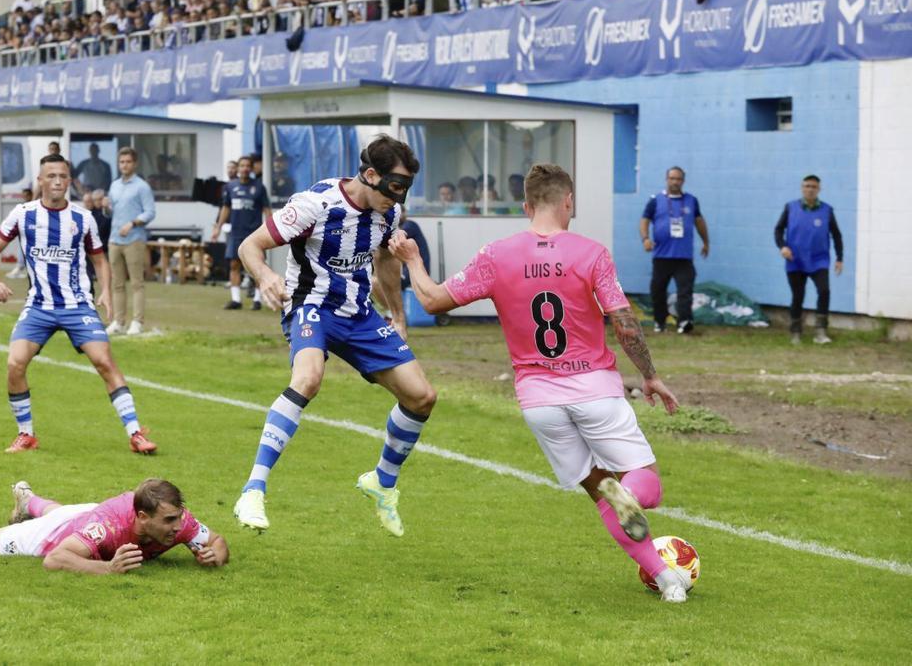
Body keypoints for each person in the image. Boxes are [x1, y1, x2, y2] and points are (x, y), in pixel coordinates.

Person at [391, 163, 692, 603]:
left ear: (527, 205)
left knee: (605, 493)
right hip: (594, 389)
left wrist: (414, 262)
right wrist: (649, 376)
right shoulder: (591, 253)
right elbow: (624, 323)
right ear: (568, 201)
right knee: (645, 487)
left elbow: (434, 299)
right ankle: (644, 526)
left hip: (538, 401)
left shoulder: (497, 254)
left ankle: (667, 580)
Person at [231, 135, 437, 538]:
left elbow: (384, 260)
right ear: (370, 174)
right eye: (393, 188)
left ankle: (382, 482)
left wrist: (396, 313)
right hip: (312, 307)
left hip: (360, 314)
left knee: (422, 396)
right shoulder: (314, 205)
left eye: (404, 190)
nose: (396, 199)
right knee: (308, 379)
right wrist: (267, 276)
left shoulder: (388, 214)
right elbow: (249, 246)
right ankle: (253, 488)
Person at [0, 153, 158, 455]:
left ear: (69, 181)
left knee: (104, 361)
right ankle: (26, 434)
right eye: (51, 176)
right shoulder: (23, 214)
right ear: (40, 180)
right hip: (39, 306)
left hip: (78, 305)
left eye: (63, 176)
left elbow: (99, 260)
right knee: (15, 363)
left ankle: (136, 433)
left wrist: (104, 291)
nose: (58, 181)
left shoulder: (82, 218)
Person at [0, 478, 228, 573]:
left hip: (83, 517)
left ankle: (27, 502)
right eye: (169, 520)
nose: (178, 526)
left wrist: (216, 557)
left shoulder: (177, 521)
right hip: (68, 531)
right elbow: (56, 560)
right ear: (141, 517)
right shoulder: (106, 528)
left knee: (68, 519)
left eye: (179, 517)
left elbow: (218, 540)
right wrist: (109, 569)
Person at [775, 175, 844, 345]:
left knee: (824, 291)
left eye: (813, 186)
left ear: (819, 189)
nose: (810, 189)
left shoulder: (827, 210)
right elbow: (778, 230)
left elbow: (836, 235)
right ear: (802, 188)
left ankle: (821, 332)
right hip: (795, 260)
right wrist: (783, 246)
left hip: (819, 260)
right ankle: (796, 331)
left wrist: (839, 258)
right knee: (798, 295)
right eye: (807, 186)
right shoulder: (790, 208)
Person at [640, 167, 709, 334]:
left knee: (685, 291)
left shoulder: (691, 200)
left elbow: (699, 221)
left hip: (683, 257)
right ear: (666, 179)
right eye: (672, 178)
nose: (675, 182)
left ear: (683, 181)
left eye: (678, 179)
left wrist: (706, 242)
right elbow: (644, 220)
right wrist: (645, 239)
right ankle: (659, 322)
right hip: (662, 256)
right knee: (658, 290)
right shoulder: (656, 200)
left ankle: (684, 321)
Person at [107, 147, 156, 336]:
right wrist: (105, 207)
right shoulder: (114, 185)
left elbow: (150, 212)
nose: (124, 165)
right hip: (114, 239)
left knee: (137, 283)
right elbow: (112, 211)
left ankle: (137, 322)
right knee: (117, 283)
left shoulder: (142, 186)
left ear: (134, 164)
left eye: (128, 162)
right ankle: (118, 321)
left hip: (134, 239)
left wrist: (133, 223)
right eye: (121, 162)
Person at [213, 155, 272, 310]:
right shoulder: (230, 187)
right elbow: (226, 208)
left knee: (257, 266)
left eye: (247, 166)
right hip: (236, 232)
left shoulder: (259, 187)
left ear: (251, 169)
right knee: (234, 264)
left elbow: (266, 209)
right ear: (238, 169)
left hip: (254, 234)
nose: (245, 168)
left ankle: (257, 300)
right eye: (242, 165)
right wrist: (218, 227)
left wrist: (271, 229)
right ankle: (236, 300)